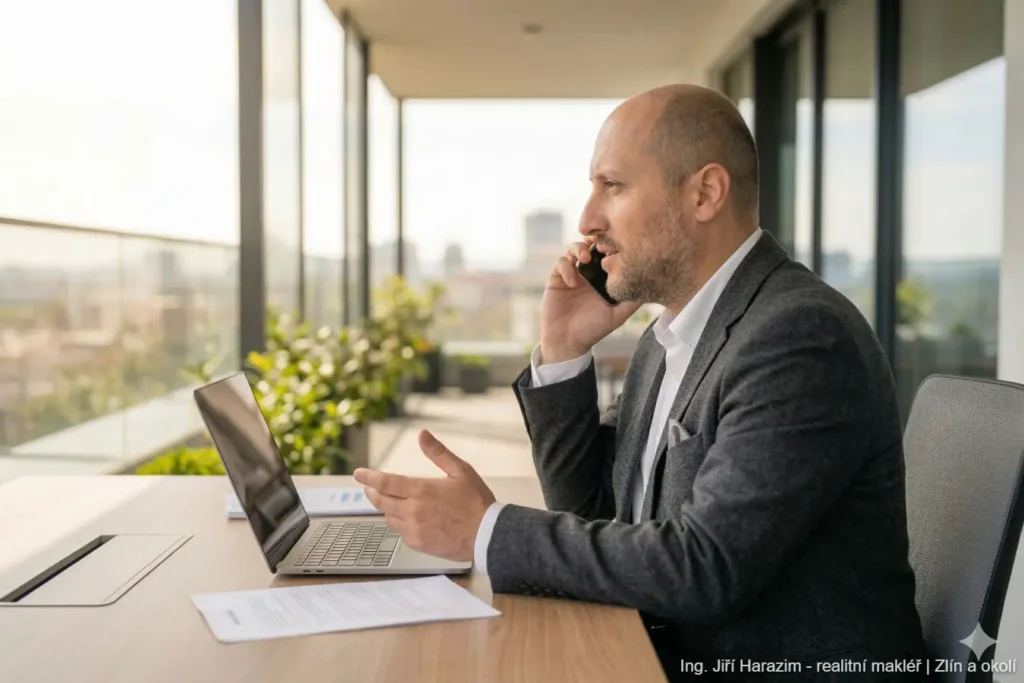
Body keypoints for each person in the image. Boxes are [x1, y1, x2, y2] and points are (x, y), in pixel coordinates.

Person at [354, 84, 928, 681]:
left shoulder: (799, 337)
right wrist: (564, 349)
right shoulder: (668, 337)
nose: (587, 220)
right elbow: (593, 514)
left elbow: (705, 567)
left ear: (705, 193)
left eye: (613, 186)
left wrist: (485, 530)